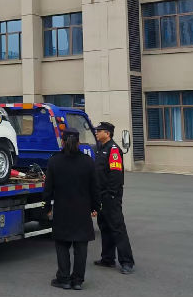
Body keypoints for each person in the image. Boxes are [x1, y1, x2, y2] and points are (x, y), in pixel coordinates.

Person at [43, 129, 100, 290]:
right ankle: (78, 280)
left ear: (62, 142)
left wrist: (47, 207)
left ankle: (64, 279)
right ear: (79, 143)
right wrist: (95, 206)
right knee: (81, 246)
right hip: (82, 210)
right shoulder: (88, 162)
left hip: (62, 210)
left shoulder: (55, 161)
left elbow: (48, 188)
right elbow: (95, 187)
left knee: (62, 245)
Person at [93, 121, 135, 274]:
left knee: (117, 228)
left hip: (110, 196)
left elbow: (116, 175)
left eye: (99, 131)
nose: (97, 133)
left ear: (107, 133)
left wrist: (110, 194)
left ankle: (127, 262)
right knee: (104, 227)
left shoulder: (113, 150)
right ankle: (108, 258)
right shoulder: (100, 148)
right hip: (100, 195)